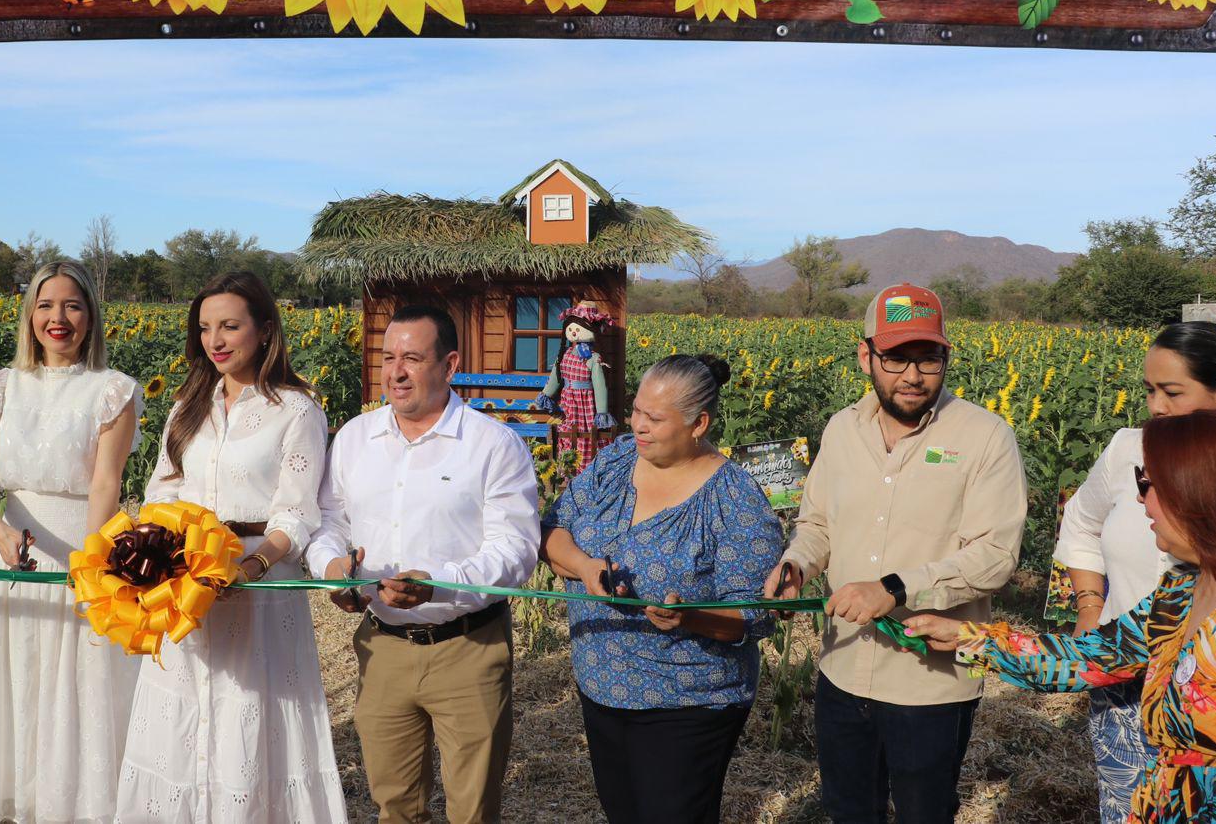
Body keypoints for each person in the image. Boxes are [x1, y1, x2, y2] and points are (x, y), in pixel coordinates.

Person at [907, 408, 1216, 823]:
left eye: (1148, 483)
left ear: (1197, 492)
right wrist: (971, 638)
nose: (1141, 500)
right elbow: (1094, 656)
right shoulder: (1182, 589)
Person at [764, 282, 1027, 824]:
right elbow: (817, 523)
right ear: (866, 356)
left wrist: (895, 589)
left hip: (934, 678)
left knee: (924, 812)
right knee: (849, 809)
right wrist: (798, 564)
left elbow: (997, 555)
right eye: (895, 358)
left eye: (927, 359)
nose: (912, 375)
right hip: (841, 666)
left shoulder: (986, 436)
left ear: (945, 357)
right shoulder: (841, 430)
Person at [115, 271, 347, 822]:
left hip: (258, 585)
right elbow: (159, 491)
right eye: (204, 328)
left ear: (265, 330)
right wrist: (152, 554)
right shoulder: (187, 407)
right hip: (182, 584)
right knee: (183, 715)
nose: (214, 340)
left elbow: (297, 510)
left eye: (229, 326)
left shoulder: (296, 410)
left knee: (251, 715)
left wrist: (253, 563)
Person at [307, 304, 540, 824]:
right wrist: (332, 569)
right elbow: (329, 521)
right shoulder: (353, 439)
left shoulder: (493, 445)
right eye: (388, 357)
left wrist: (436, 586)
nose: (396, 372)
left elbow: (516, 550)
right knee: (394, 805)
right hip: (383, 647)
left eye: (412, 357)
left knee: (473, 810)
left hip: (468, 649)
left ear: (450, 365)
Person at [540, 353, 784, 824]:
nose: (639, 427)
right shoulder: (616, 460)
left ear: (699, 424)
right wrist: (585, 567)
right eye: (635, 412)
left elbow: (754, 615)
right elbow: (554, 529)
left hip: (686, 699)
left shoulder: (733, 498)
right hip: (601, 685)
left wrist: (688, 617)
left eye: (654, 418)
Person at [0, 260, 143, 824]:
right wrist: (1, 535)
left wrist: (89, 562)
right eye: (47, 305)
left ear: (91, 317)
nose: (59, 318)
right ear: (30, 313)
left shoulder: (112, 392)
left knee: (80, 694)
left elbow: (107, 483)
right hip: (15, 558)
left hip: (84, 555)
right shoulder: (1, 388)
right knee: (17, 687)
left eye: (73, 306)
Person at [1052, 321, 1216, 824]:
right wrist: (1089, 606)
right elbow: (1079, 524)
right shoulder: (1131, 449)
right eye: (1149, 391)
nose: (1157, 406)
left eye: (1172, 391)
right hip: (1125, 681)